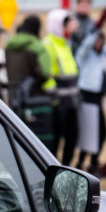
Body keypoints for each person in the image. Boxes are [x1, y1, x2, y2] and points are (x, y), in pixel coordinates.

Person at [75, 9, 106, 176]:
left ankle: (92, 162)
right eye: (97, 41)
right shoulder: (85, 55)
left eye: (101, 41)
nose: (99, 44)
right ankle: (84, 162)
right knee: (89, 132)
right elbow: (87, 43)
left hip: (97, 98)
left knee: (100, 132)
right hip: (87, 96)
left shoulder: (101, 55)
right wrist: (99, 25)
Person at [5, 16, 53, 146]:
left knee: (18, 137)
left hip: (14, 97)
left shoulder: (9, 45)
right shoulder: (37, 47)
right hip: (33, 101)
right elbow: (44, 73)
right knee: (35, 141)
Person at [43, 9, 81, 166]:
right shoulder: (48, 44)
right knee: (57, 139)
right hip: (59, 102)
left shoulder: (65, 43)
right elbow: (47, 75)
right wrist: (54, 96)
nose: (68, 28)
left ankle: (66, 167)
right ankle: (53, 167)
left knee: (72, 137)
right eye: (65, 24)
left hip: (72, 101)